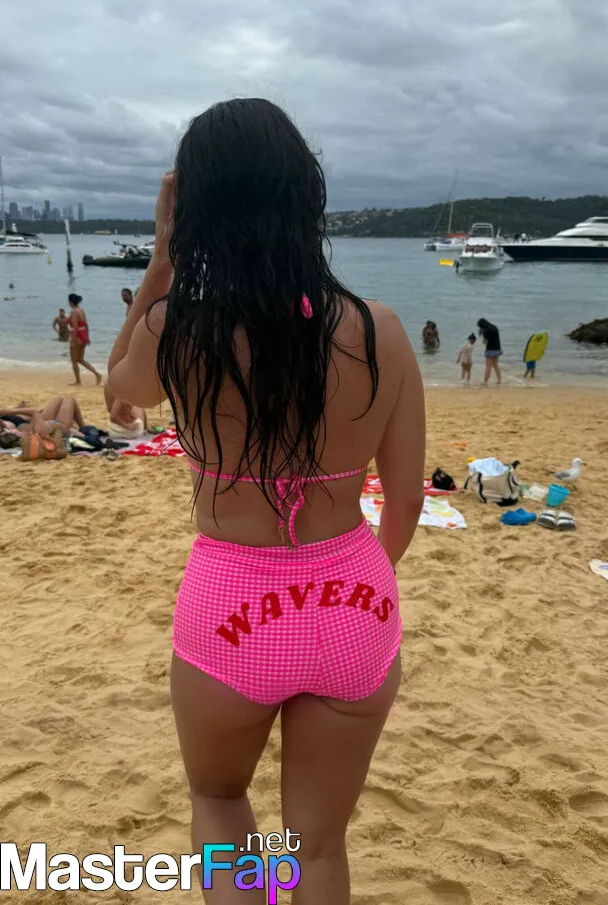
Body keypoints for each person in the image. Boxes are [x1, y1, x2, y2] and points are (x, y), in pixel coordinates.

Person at [107, 98, 425, 904]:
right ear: (306, 197)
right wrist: (348, 580)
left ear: (196, 211)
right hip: (354, 601)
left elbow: (119, 393)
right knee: (316, 847)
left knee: (220, 802)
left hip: (231, 604)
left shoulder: (177, 330)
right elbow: (405, 506)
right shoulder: (382, 330)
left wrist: (162, 260)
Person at [0, 396, 86, 439]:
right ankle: (84, 428)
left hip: (39, 423)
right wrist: (11, 411)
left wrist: (16, 410)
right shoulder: (36, 434)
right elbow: (34, 412)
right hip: (57, 426)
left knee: (59, 399)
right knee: (69, 399)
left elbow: (31, 416)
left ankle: (83, 428)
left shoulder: (18, 430)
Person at [68, 294, 102, 387]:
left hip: (77, 336)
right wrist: (87, 337)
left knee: (74, 360)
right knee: (80, 359)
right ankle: (97, 374)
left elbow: (75, 327)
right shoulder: (81, 311)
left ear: (70, 302)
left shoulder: (73, 312)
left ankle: (78, 381)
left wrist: (73, 340)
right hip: (83, 335)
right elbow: (86, 325)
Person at [478, 318, 502, 385]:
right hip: (497, 349)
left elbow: (484, 342)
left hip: (490, 350)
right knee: (495, 365)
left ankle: (485, 382)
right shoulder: (494, 327)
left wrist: (483, 338)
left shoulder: (486, 330)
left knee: (488, 366)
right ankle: (499, 380)